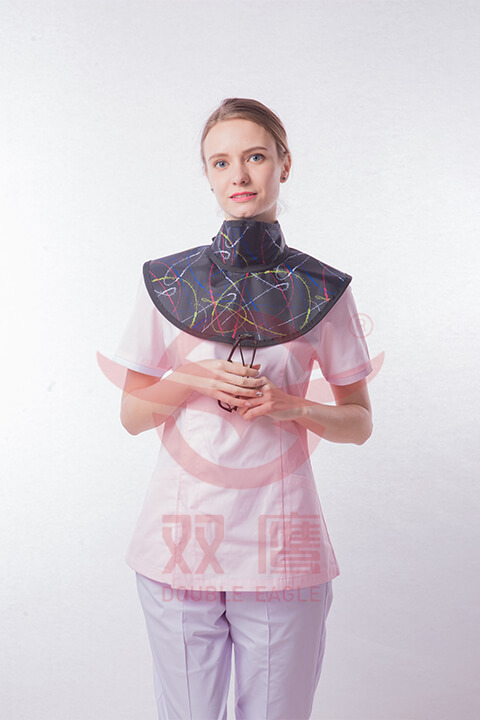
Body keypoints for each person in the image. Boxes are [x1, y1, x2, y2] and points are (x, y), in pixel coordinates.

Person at [113, 97, 374, 720]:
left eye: (255, 157)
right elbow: (132, 414)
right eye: (221, 162)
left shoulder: (325, 291)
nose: (239, 175)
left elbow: (360, 423)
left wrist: (292, 407)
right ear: (207, 174)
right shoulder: (167, 283)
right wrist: (192, 377)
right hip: (179, 540)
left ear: (285, 164)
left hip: (281, 543)